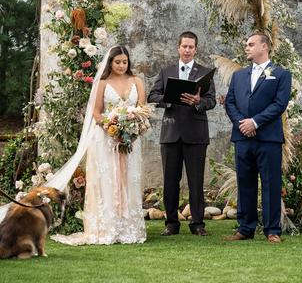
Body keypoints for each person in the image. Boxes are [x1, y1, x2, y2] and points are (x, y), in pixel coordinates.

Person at [51, 45, 147, 245]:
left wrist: (131, 128)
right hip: (105, 139)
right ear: (110, 63)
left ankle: (129, 229)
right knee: (107, 181)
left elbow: (142, 110)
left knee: (129, 180)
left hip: (130, 139)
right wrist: (112, 128)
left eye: (124, 62)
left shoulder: (137, 81)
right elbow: (96, 112)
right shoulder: (103, 83)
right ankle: (106, 228)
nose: (121, 65)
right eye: (117, 62)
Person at [224, 32, 291, 243]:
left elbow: (279, 104)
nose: (247, 47)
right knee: (245, 182)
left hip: (268, 138)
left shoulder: (280, 74)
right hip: (243, 137)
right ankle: (245, 228)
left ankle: (272, 230)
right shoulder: (239, 75)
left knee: (270, 183)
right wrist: (242, 124)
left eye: (251, 44)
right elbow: (230, 103)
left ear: (264, 47)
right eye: (246, 44)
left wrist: (255, 122)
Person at [148, 31, 216, 236]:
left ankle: (197, 224)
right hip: (171, 133)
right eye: (184, 46)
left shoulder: (205, 73)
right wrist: (169, 99)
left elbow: (211, 101)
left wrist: (198, 102)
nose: (187, 50)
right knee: (170, 181)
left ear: (196, 49)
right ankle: (171, 223)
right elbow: (153, 95)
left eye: (191, 47)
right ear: (178, 48)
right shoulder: (166, 71)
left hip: (196, 134)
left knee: (196, 181)